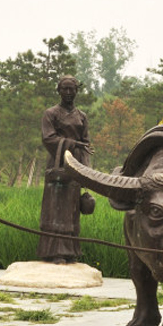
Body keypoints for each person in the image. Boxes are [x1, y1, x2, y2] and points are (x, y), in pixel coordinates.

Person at [37, 76, 95, 264]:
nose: (68, 93)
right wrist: (72, 144)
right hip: (58, 164)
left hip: (76, 165)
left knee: (71, 208)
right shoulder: (51, 113)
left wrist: (86, 170)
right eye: (65, 89)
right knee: (55, 208)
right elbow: (48, 138)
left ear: (77, 91)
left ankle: (71, 252)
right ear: (59, 90)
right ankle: (54, 252)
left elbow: (86, 143)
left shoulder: (81, 116)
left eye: (72, 89)